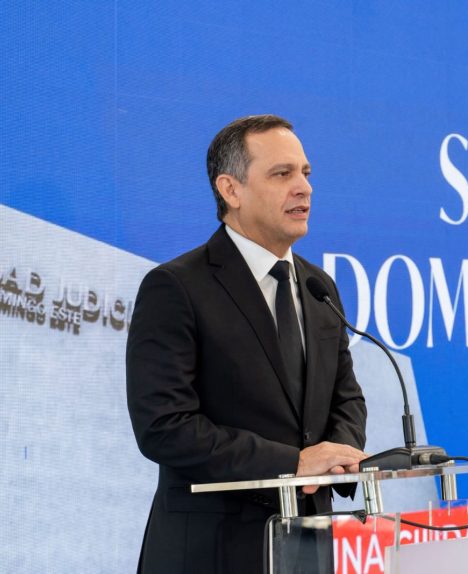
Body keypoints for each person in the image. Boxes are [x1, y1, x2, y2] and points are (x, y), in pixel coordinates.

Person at [126, 114, 367, 573]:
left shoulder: (319, 287)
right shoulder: (176, 287)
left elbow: (346, 398)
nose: (304, 188)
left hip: (307, 545)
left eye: (305, 173)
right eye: (282, 174)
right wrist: (294, 463)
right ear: (230, 190)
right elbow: (164, 425)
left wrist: (339, 456)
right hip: (210, 551)